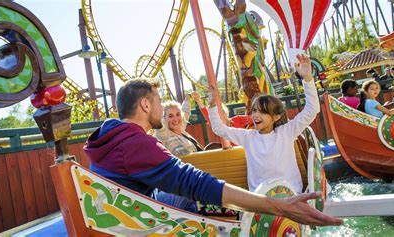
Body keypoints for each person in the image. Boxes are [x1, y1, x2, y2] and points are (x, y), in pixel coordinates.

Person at [83, 77, 343, 226]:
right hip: (134, 225)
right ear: (144, 105)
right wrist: (277, 206)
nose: (162, 109)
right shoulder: (135, 143)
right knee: (191, 194)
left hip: (126, 217)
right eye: (160, 103)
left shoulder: (111, 135)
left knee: (183, 198)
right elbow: (193, 181)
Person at [208, 54, 317, 194]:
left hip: (290, 197)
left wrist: (307, 79)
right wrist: (211, 105)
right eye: (254, 111)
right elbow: (219, 128)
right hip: (262, 202)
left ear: (276, 117)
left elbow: (312, 110)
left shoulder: (286, 132)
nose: (256, 116)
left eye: (263, 112)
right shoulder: (248, 137)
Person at [155, 93, 204, 157]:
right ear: (164, 118)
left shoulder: (181, 128)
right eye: (170, 116)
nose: (175, 119)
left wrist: (188, 97)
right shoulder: (164, 135)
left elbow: (185, 111)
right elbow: (159, 126)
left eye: (178, 114)